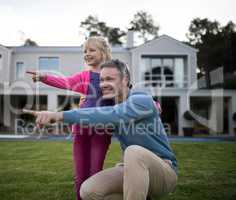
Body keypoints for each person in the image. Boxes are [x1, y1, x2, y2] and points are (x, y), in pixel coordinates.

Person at [24, 59, 178, 200]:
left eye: (110, 79)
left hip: (163, 170)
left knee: (133, 151)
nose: (103, 84)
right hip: (131, 170)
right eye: (102, 79)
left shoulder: (141, 100)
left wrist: (60, 115)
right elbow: (94, 116)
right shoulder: (111, 106)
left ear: (125, 80)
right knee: (88, 191)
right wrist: (75, 107)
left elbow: (112, 115)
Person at [27, 36, 114, 200]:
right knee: (80, 176)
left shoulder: (112, 73)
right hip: (81, 130)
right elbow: (65, 82)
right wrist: (44, 77)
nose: (87, 54)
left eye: (91, 50)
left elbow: (127, 92)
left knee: (95, 175)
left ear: (103, 52)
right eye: (85, 51)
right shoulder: (84, 76)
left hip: (102, 131)